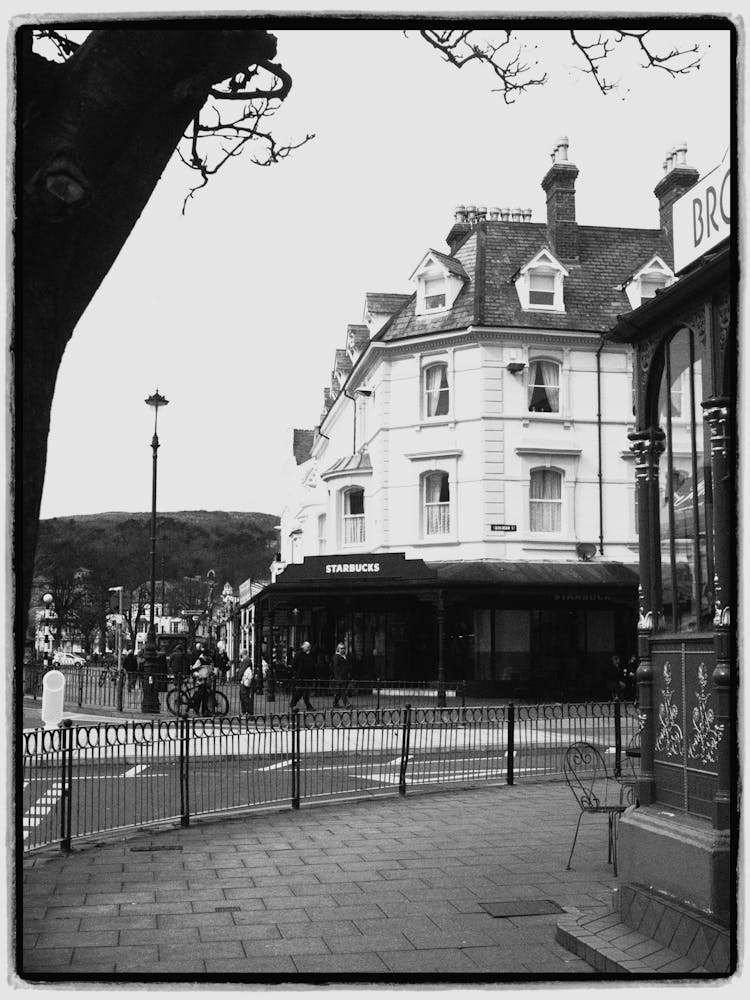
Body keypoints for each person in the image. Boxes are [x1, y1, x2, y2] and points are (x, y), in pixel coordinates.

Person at [289, 640, 315, 712]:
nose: (309, 648)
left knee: (305, 691)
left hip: (307, 676)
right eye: (308, 647)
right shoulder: (299, 654)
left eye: (309, 647)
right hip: (300, 675)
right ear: (304, 647)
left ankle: (307, 705)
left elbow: (311, 664)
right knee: (301, 690)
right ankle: (294, 703)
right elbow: (294, 663)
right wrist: (295, 672)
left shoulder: (309, 654)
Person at [189, 651, 214, 716]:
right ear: (204, 655)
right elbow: (193, 670)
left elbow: (210, 669)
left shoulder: (209, 660)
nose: (209, 657)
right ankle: (196, 709)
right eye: (207, 656)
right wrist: (198, 675)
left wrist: (212, 673)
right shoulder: (199, 660)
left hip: (208, 681)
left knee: (206, 696)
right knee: (200, 695)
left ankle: (204, 711)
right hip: (201, 681)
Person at [332, 642, 353, 709]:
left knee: (339, 690)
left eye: (344, 648)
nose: (343, 650)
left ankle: (335, 703)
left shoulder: (344, 656)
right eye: (341, 648)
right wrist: (338, 677)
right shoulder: (336, 657)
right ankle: (347, 704)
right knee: (342, 690)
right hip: (339, 677)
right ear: (338, 649)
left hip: (345, 676)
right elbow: (336, 668)